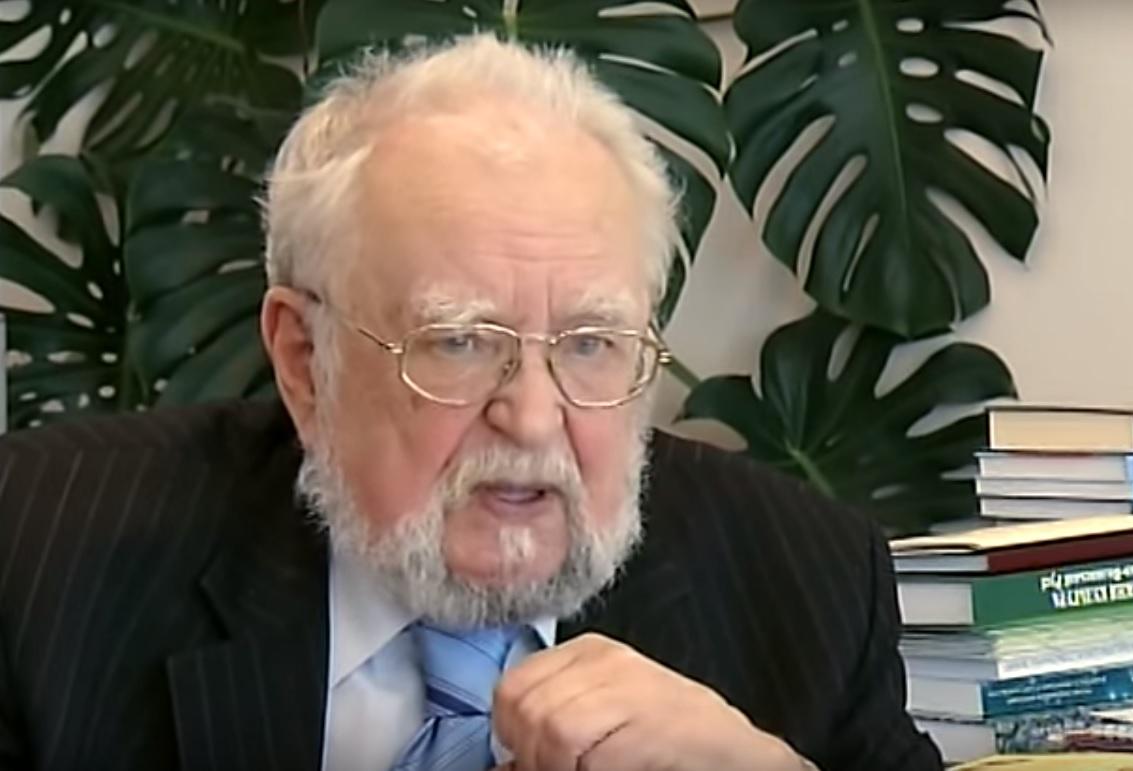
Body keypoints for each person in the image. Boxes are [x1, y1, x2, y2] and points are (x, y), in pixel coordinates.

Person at [0, 35, 942, 771]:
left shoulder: (806, 585)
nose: (531, 420)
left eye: (590, 343)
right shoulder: (38, 560)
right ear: (304, 361)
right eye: (457, 342)